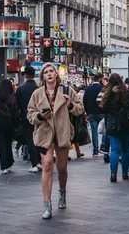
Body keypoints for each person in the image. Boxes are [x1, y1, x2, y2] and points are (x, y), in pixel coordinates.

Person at [27, 62, 84, 219]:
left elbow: (80, 109)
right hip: (45, 134)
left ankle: (62, 192)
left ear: (56, 75)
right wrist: (39, 116)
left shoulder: (67, 90)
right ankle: (47, 205)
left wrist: (69, 104)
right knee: (46, 165)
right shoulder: (37, 94)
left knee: (62, 168)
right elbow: (30, 114)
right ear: (43, 76)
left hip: (62, 132)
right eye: (46, 72)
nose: (49, 74)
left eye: (51, 71)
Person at [100, 73, 129, 182]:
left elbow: (100, 104)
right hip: (126, 123)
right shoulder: (126, 91)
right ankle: (124, 173)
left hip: (112, 123)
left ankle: (113, 174)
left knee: (114, 150)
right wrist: (128, 87)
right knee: (125, 150)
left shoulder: (107, 92)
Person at [15, 66, 41, 173]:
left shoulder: (21, 89)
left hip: (26, 117)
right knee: (39, 139)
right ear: (34, 75)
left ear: (25, 75)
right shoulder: (39, 89)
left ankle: (34, 163)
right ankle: (40, 161)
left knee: (30, 141)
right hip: (39, 117)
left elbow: (17, 104)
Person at [0, 79, 20, 174]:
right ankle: (9, 163)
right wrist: (17, 125)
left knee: (1, 144)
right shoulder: (12, 98)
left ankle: (3, 166)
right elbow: (16, 114)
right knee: (8, 143)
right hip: (9, 123)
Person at [83, 71, 105, 157]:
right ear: (100, 79)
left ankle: (95, 151)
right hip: (102, 112)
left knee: (94, 132)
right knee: (105, 131)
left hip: (92, 113)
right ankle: (103, 147)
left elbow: (85, 101)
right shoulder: (103, 88)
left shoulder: (88, 89)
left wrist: (87, 111)